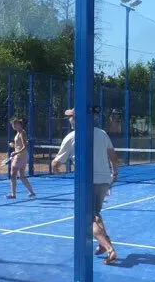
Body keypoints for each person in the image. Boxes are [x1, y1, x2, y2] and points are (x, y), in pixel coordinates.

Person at [51, 108, 119, 265]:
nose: (69, 120)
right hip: (104, 181)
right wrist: (114, 174)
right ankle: (102, 245)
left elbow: (58, 163)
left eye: (71, 117)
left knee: (87, 220)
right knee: (95, 214)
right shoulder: (102, 133)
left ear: (77, 119)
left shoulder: (72, 137)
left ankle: (110, 249)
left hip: (87, 182)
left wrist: (54, 166)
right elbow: (113, 156)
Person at [6, 117, 36, 199]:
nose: (13, 126)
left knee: (13, 174)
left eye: (14, 124)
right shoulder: (19, 133)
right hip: (22, 155)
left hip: (20, 156)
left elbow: (25, 146)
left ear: (18, 124)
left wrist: (16, 152)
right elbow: (20, 146)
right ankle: (32, 192)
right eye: (12, 125)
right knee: (22, 175)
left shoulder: (22, 133)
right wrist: (14, 146)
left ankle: (13, 194)